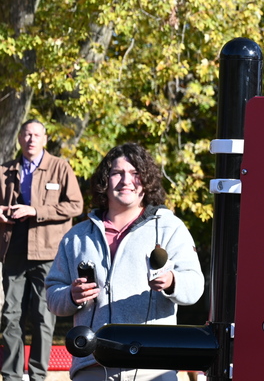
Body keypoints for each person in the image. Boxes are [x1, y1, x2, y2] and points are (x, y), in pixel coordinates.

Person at [46, 143, 204, 381]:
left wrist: (173, 282)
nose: (126, 180)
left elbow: (194, 288)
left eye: (135, 173)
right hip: (92, 365)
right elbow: (52, 295)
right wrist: (71, 295)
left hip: (154, 365)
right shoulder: (77, 236)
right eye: (117, 173)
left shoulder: (170, 228)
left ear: (146, 180)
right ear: (105, 180)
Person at [0, 119, 83, 381]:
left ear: (45, 139)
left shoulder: (60, 167)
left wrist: (35, 210)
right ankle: (11, 376)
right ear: (19, 138)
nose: (31, 139)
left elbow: (76, 205)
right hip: (13, 250)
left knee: (43, 317)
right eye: (27, 134)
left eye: (37, 135)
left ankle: (38, 376)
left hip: (48, 253)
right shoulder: (4, 170)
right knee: (10, 315)